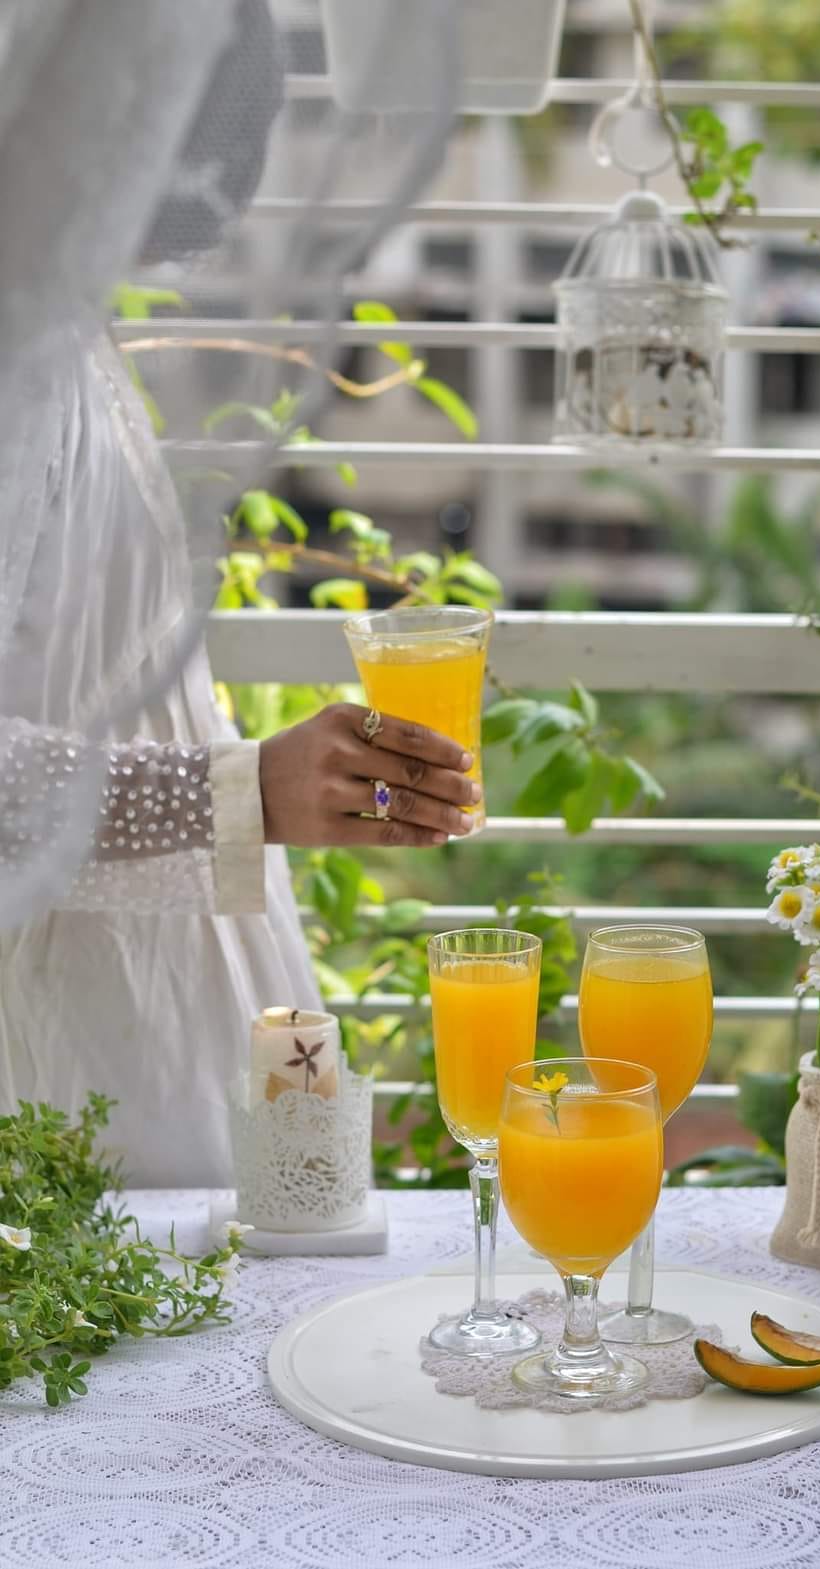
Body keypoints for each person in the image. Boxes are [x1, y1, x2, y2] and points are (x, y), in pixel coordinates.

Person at [0, 0, 468, 1184]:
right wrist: (245, 786)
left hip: (173, 996)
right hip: (71, 1062)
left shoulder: (57, 330)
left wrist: (254, 786)